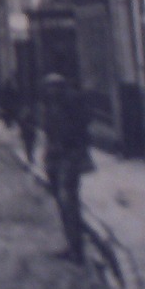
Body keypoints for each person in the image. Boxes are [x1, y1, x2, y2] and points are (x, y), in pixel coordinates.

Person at [40, 73, 92, 263]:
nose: (50, 92)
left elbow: (81, 132)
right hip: (56, 158)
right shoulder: (50, 107)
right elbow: (49, 135)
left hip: (69, 158)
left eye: (54, 87)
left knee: (68, 201)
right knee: (62, 202)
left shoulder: (72, 105)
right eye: (48, 88)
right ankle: (72, 245)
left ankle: (77, 250)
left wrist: (74, 150)